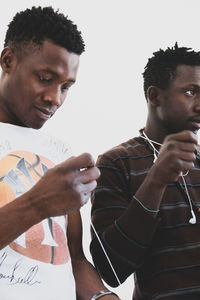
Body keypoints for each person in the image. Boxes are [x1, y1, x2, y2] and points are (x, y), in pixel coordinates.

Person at [0, 6, 120, 300]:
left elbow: (74, 261)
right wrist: (37, 204)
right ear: (8, 61)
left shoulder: (60, 152)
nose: (55, 98)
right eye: (44, 78)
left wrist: (104, 296)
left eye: (66, 86)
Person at [90, 43, 200, 299]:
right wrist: (156, 180)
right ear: (154, 95)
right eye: (191, 91)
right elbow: (112, 270)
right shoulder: (116, 163)